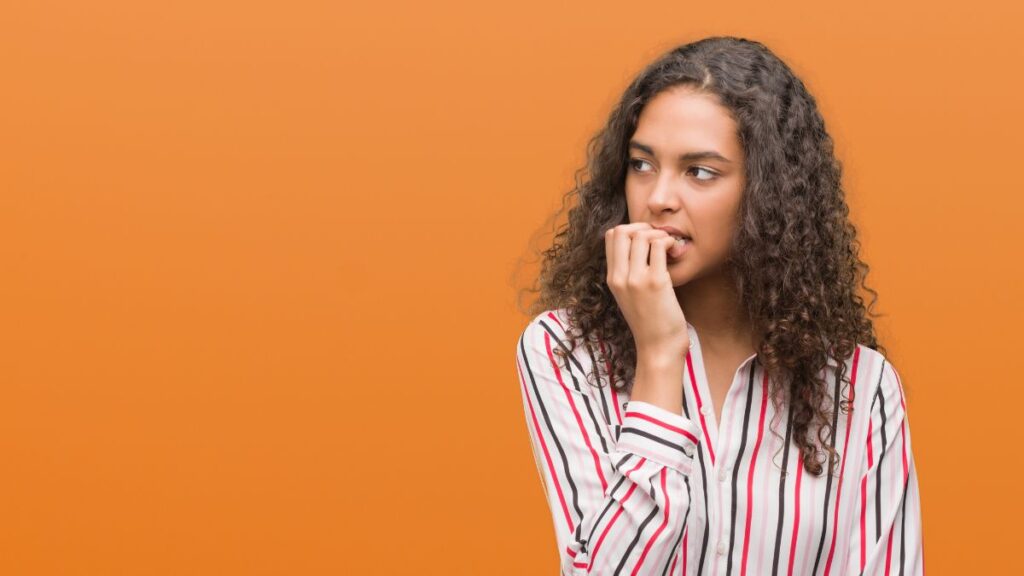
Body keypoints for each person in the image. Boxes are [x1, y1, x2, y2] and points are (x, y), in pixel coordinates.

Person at [514, 36, 924, 576]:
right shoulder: (565, 351)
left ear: (767, 194)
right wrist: (660, 354)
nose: (658, 197)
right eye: (641, 164)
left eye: (699, 172)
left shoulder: (859, 387)